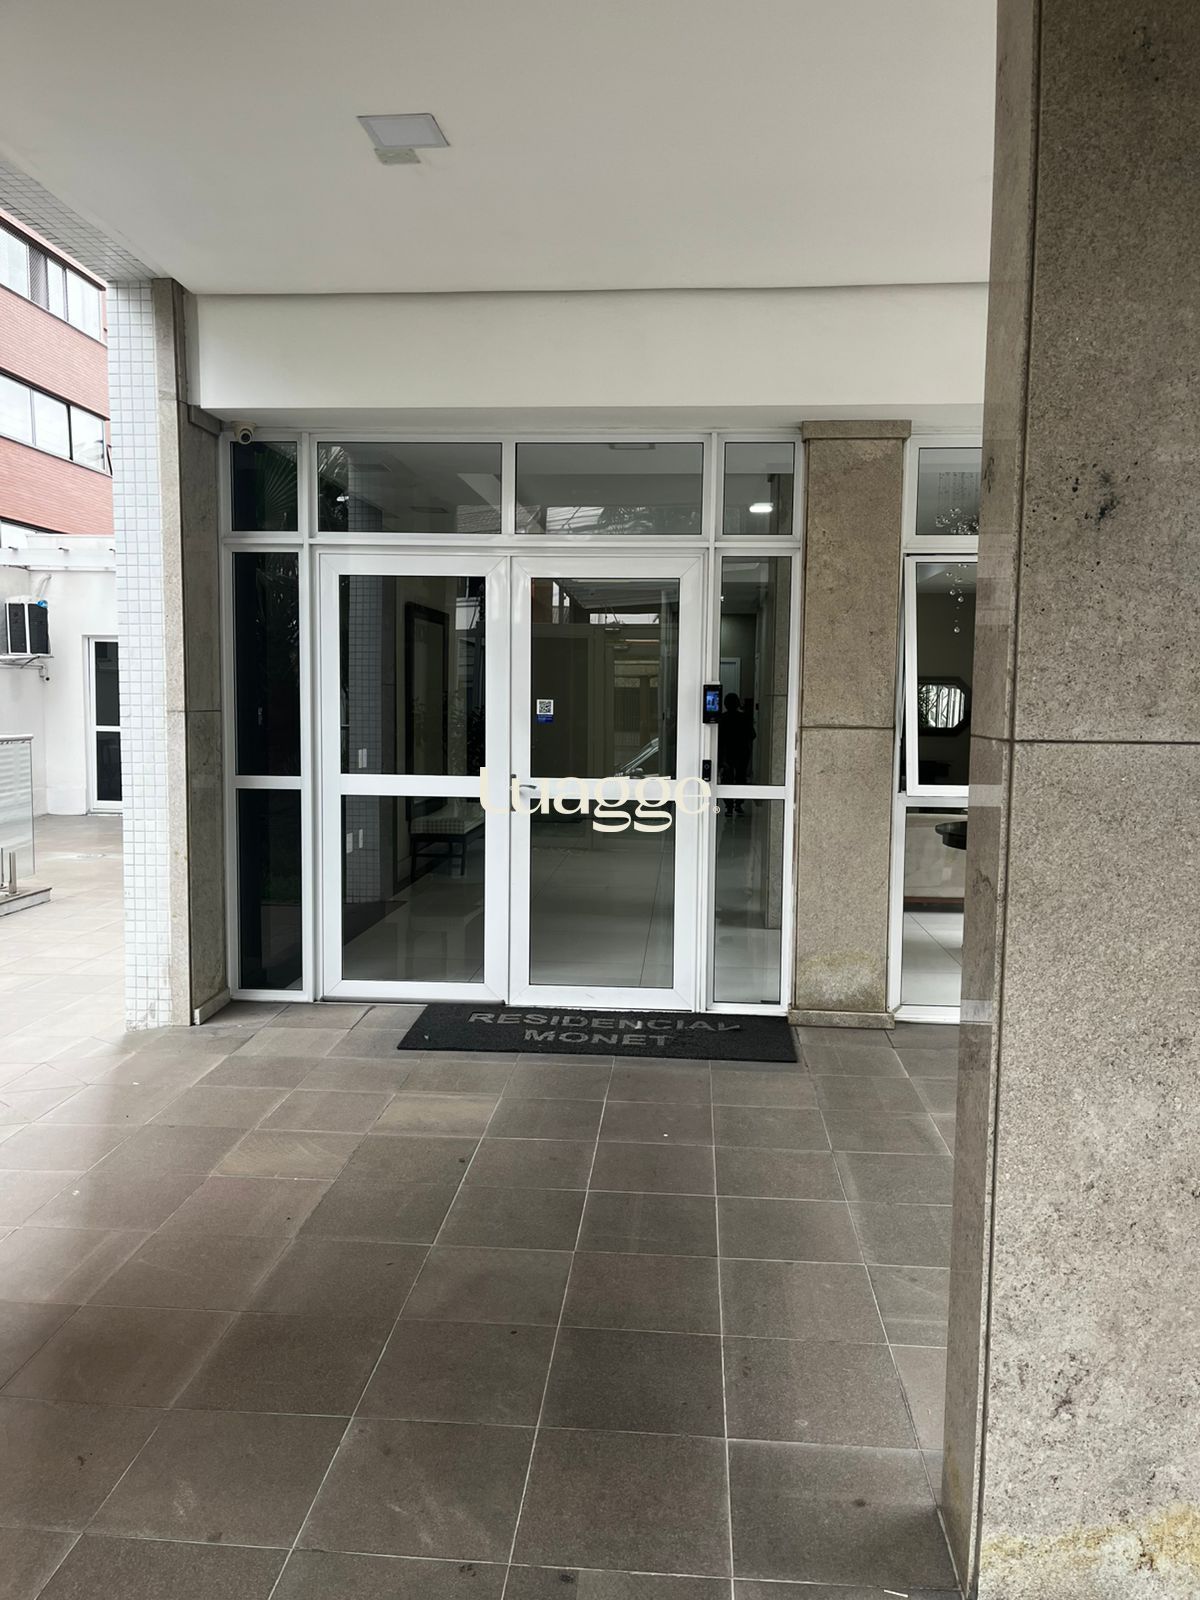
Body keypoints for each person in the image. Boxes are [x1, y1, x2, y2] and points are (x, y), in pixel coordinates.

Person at [717, 692, 755, 813]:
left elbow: (718, 738)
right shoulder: (744, 718)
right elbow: (752, 735)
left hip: (727, 753)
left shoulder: (722, 718)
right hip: (742, 752)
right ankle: (738, 804)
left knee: (727, 779)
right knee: (740, 778)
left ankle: (728, 806)